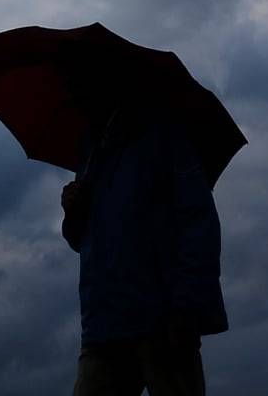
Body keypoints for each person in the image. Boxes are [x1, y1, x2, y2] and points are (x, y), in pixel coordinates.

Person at [60, 81, 228, 396]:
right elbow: (85, 239)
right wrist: (73, 213)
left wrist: (186, 307)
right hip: (104, 323)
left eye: (79, 87)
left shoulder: (163, 135)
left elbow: (198, 221)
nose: (72, 96)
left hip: (163, 320)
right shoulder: (92, 149)